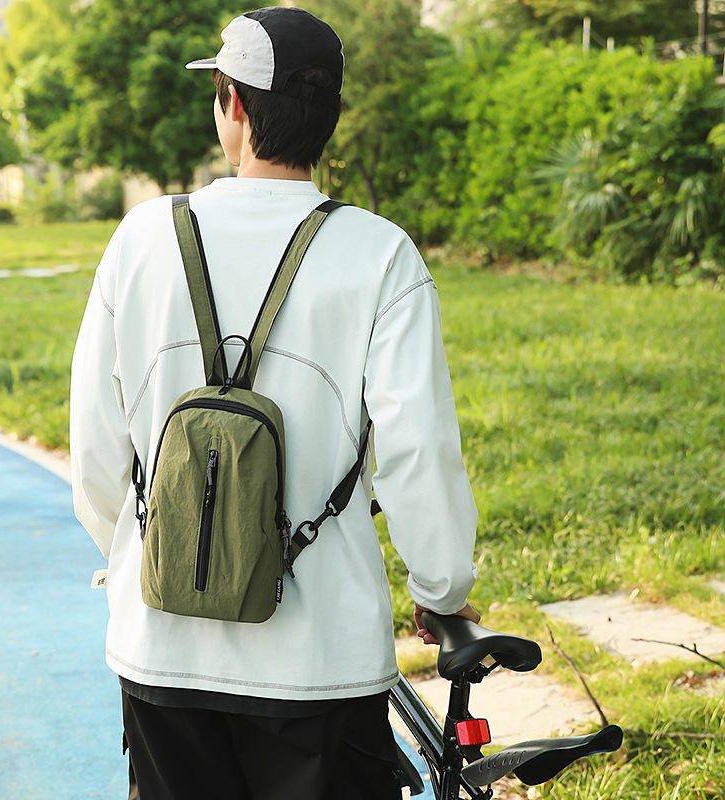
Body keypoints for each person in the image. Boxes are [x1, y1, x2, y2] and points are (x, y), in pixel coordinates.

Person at [70, 7, 479, 799]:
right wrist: (442, 591)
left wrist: (146, 554)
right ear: (330, 117)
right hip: (321, 662)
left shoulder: (142, 238)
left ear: (232, 102)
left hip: (163, 650)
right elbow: (418, 451)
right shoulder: (381, 254)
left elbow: (95, 445)